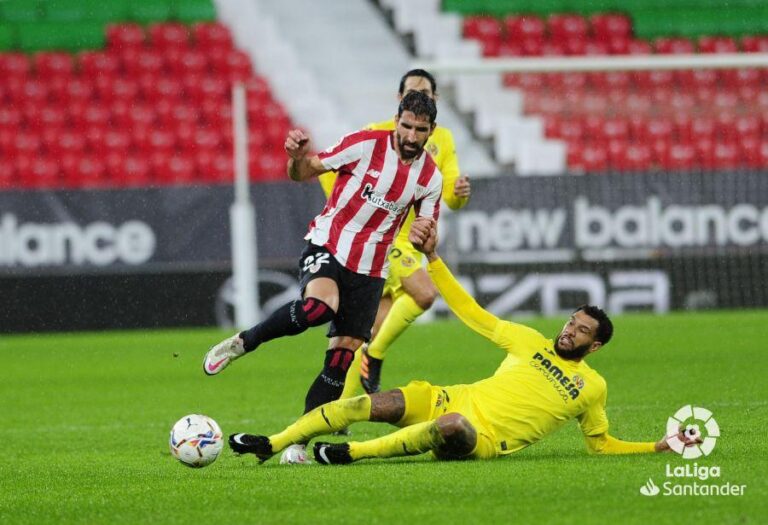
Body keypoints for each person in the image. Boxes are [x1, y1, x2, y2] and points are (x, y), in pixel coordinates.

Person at [227, 220, 699, 464]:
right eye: (572, 322)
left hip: (485, 437)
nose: (569, 330)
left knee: (451, 427)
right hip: (455, 397)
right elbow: (471, 311)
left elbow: (601, 445)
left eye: (581, 331)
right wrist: (433, 259)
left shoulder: (591, 388)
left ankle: (349, 454)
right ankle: (273, 442)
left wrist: (655, 448)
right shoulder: (528, 341)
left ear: (594, 347)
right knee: (367, 404)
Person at [202, 91, 444, 464]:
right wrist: (296, 158)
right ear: (397, 120)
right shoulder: (364, 145)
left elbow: (427, 229)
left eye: (420, 130)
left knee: (340, 360)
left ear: (431, 130)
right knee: (318, 308)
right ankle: (243, 342)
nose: (412, 136)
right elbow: (303, 172)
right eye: (407, 126)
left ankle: (298, 441)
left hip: (371, 269)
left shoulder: (430, 177)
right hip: (329, 245)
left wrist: (424, 238)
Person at [318, 69, 471, 398]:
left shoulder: (442, 139)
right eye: (413, 92)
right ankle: (374, 358)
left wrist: (459, 193)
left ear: (435, 99)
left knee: (369, 330)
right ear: (400, 98)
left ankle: (339, 406)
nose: (419, 97)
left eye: (426, 93)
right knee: (425, 294)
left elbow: (450, 197)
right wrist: (348, 210)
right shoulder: (377, 133)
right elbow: (328, 170)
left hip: (409, 243)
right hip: (382, 237)